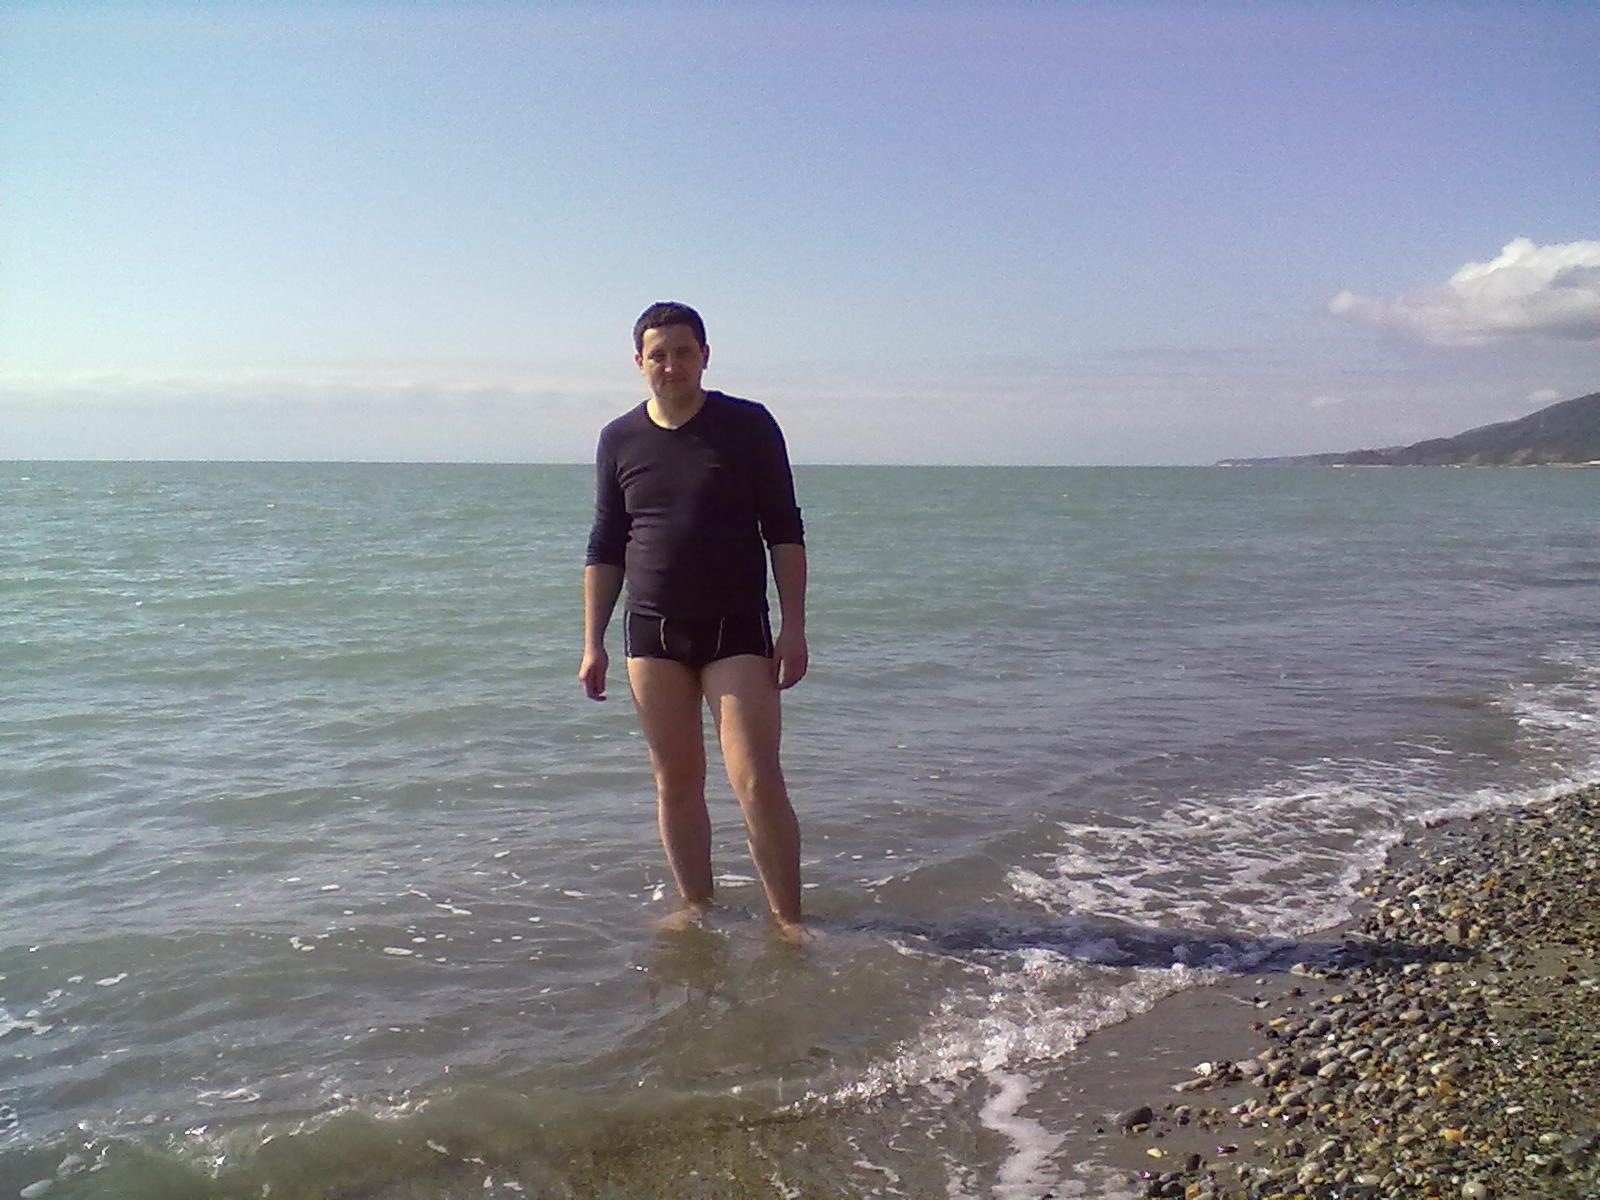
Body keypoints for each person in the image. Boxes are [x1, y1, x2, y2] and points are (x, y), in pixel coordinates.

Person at [578, 302, 809, 941]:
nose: (671, 365)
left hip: (736, 629)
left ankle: (789, 922)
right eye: (658, 354)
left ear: (704, 355)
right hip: (651, 633)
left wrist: (793, 627)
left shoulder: (748, 425)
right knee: (676, 782)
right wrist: (592, 642)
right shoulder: (619, 438)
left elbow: (784, 530)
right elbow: (606, 542)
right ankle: (698, 910)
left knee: (756, 780)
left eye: (683, 352)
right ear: (639, 362)